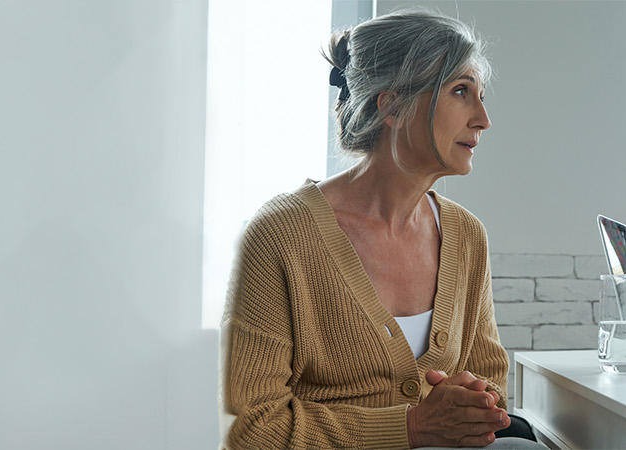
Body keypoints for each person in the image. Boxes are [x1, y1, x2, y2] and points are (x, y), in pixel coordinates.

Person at [219, 8, 544, 450]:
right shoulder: (280, 235)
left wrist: (475, 402)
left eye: (481, 95)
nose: (483, 118)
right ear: (390, 105)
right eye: (461, 91)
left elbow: (489, 382)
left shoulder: (467, 236)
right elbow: (250, 429)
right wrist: (411, 427)